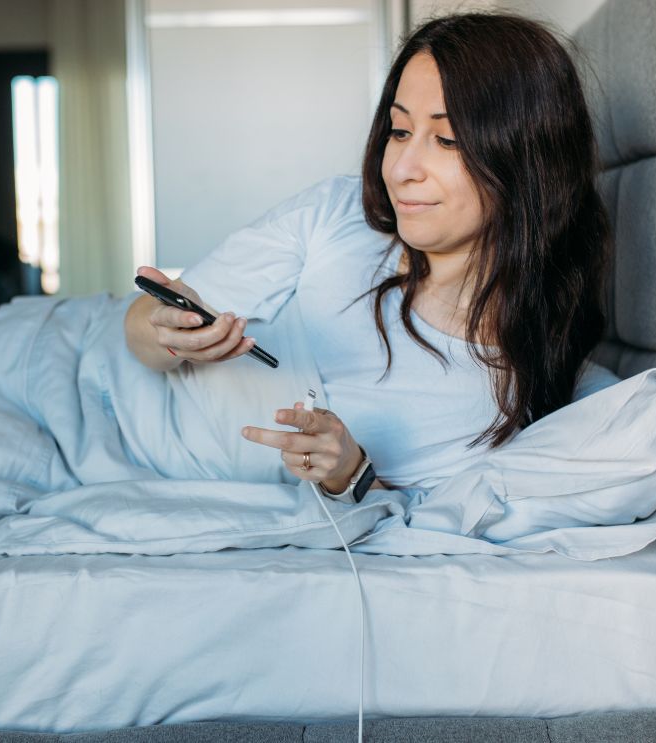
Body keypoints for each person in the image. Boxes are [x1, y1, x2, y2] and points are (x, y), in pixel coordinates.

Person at [123, 12, 613, 503]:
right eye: (399, 131)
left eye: (446, 140)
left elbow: (402, 515)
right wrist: (168, 333)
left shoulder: (507, 391)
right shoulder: (337, 211)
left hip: (152, 465)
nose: (400, 170)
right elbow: (138, 327)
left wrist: (349, 473)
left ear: (529, 158)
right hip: (103, 387)